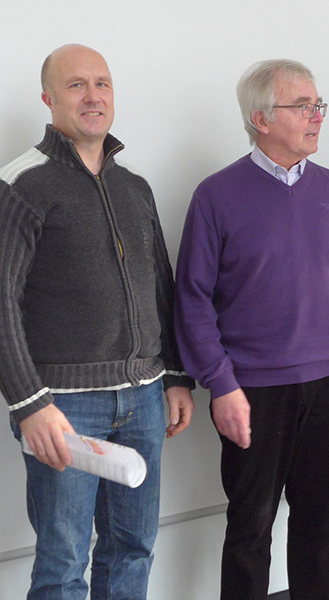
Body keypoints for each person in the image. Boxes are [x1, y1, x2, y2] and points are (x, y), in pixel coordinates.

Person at [174, 59, 329, 600]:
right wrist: (221, 384)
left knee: (321, 526)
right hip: (252, 389)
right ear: (261, 119)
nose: (317, 116)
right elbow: (192, 298)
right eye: (303, 107)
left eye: (319, 105)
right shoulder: (215, 196)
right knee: (250, 528)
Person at [0, 44, 195, 600]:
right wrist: (29, 403)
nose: (93, 96)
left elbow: (161, 285)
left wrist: (175, 375)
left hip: (144, 399)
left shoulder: (135, 186)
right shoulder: (20, 184)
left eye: (102, 84)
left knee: (133, 549)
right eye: (76, 85)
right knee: (64, 563)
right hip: (63, 407)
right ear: (48, 99)